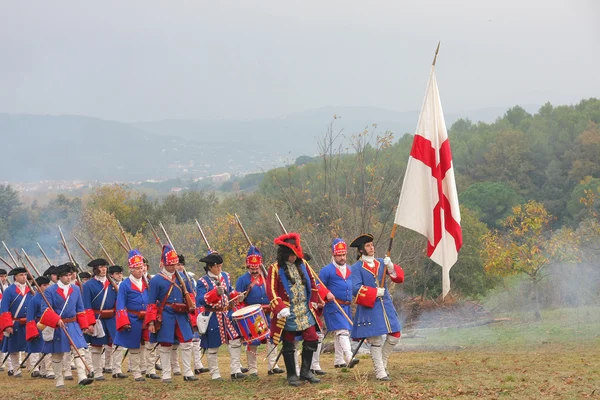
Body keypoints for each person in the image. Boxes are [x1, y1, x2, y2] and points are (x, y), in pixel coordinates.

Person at [267, 232, 323, 387]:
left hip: (304, 309)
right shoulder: (274, 268)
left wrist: (313, 301)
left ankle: (306, 372)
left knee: (312, 337)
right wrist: (279, 307)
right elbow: (270, 290)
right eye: (290, 254)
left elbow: (312, 284)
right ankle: (292, 375)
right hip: (288, 311)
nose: (293, 257)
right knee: (289, 342)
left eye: (295, 254)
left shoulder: (303, 264)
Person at [349, 234, 404, 381]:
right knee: (376, 340)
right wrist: (374, 292)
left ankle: (383, 361)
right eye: (368, 246)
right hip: (370, 306)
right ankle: (380, 371)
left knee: (395, 334)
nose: (371, 247)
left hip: (385, 305)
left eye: (372, 244)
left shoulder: (381, 263)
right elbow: (355, 288)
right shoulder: (356, 268)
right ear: (361, 250)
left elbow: (399, 278)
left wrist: (391, 268)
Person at [144, 244, 197, 383]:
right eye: (170, 264)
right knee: (165, 344)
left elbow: (189, 295)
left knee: (187, 342)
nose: (173, 267)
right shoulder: (156, 280)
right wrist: (151, 321)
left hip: (181, 314)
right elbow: (151, 303)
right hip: (166, 314)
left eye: (175, 263)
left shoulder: (182, 278)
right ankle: (166, 374)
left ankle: (188, 372)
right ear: (164, 264)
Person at [39, 263, 94, 387]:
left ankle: (82, 376)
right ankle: (59, 380)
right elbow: (45, 309)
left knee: (79, 350)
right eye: (65, 275)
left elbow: (80, 309)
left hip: (73, 324)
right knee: (57, 354)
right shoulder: (50, 291)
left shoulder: (75, 289)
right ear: (59, 277)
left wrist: (84, 325)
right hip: (58, 326)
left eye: (70, 275)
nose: (69, 278)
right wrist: (55, 320)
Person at [235, 246, 285, 378]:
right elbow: (238, 300)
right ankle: (252, 369)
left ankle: (273, 366)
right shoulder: (242, 280)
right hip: (252, 316)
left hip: (269, 313)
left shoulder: (267, 277)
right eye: (252, 267)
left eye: (256, 266)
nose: (254, 269)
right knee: (253, 343)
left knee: (272, 339)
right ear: (248, 265)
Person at [196, 251, 246, 381]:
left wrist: (237, 296)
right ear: (210, 267)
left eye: (220, 266)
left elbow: (230, 291)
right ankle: (215, 373)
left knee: (235, 340)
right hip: (213, 315)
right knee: (213, 346)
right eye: (217, 266)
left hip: (227, 314)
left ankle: (236, 370)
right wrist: (214, 293)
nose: (219, 269)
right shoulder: (202, 281)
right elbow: (200, 299)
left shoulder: (225, 276)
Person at [317, 238, 360, 369]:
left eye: (344, 254)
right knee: (342, 331)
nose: (342, 257)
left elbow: (354, 287)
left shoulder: (350, 269)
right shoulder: (326, 270)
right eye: (339, 255)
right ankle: (349, 356)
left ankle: (338, 360)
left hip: (346, 306)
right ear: (334, 255)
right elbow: (318, 285)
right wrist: (326, 293)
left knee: (340, 332)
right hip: (333, 305)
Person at [82, 258, 122, 380]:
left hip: (111, 318)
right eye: (100, 267)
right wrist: (90, 323)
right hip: (97, 318)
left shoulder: (112, 283)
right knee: (97, 346)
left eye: (105, 266)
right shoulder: (88, 285)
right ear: (95, 269)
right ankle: (98, 372)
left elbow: (117, 303)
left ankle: (117, 370)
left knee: (117, 344)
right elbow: (86, 306)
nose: (103, 269)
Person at [114, 250, 149, 382]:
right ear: (131, 269)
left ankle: (146, 368)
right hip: (132, 319)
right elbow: (120, 304)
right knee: (134, 347)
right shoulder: (125, 284)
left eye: (141, 268)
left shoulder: (146, 282)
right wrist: (124, 321)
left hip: (145, 318)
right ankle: (136, 373)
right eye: (137, 268)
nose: (140, 271)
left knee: (145, 346)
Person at [0, 267, 34, 377]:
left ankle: (32, 368)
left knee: (30, 345)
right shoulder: (9, 291)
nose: (24, 277)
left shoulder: (30, 290)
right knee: (13, 347)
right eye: (21, 275)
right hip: (15, 322)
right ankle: (16, 369)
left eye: (25, 275)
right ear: (15, 277)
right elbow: (4, 309)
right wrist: (7, 325)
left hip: (28, 322)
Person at [25, 276, 53, 378]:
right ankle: (39, 369)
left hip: (49, 324)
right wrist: (33, 330)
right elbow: (30, 317)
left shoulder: (50, 296)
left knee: (48, 349)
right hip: (38, 325)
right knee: (38, 349)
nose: (47, 287)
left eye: (48, 285)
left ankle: (47, 371)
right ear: (38, 287)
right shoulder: (34, 299)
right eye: (44, 285)